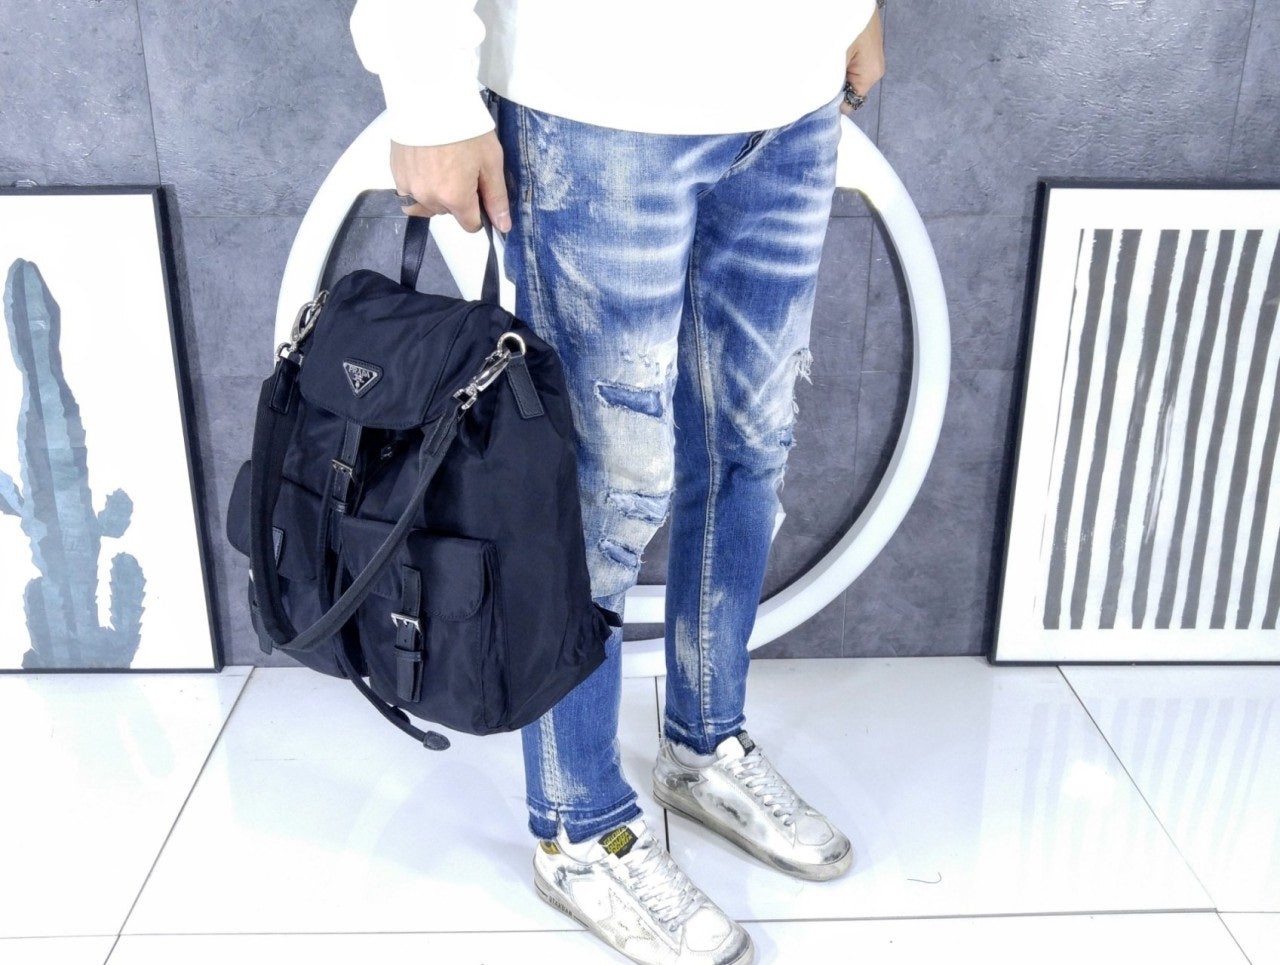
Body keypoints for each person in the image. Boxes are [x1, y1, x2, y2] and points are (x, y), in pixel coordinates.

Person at [349, 3, 885, 962]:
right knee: (602, 489)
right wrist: (427, 89)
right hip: (597, 94)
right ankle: (581, 825)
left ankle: (704, 743)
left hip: (793, 90)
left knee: (749, 441)